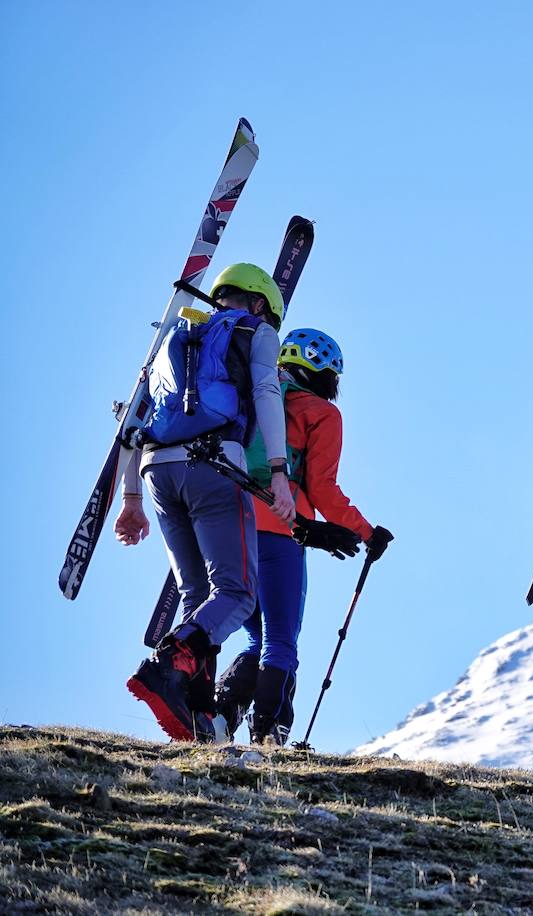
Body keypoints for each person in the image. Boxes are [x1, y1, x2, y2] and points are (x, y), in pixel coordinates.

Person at [116, 262, 296, 742]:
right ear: (259, 304)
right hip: (214, 465)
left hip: (157, 470)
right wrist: (278, 472)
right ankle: (170, 662)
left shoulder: (176, 334)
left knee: (198, 597)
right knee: (236, 595)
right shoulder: (255, 331)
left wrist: (130, 498)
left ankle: (194, 716)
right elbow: (266, 393)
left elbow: (140, 412)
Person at [211, 328, 393, 745]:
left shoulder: (251, 397)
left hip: (228, 523)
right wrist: (367, 532)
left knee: (255, 636)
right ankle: (268, 732)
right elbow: (324, 489)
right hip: (279, 531)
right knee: (280, 638)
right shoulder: (322, 414)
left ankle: (220, 718)